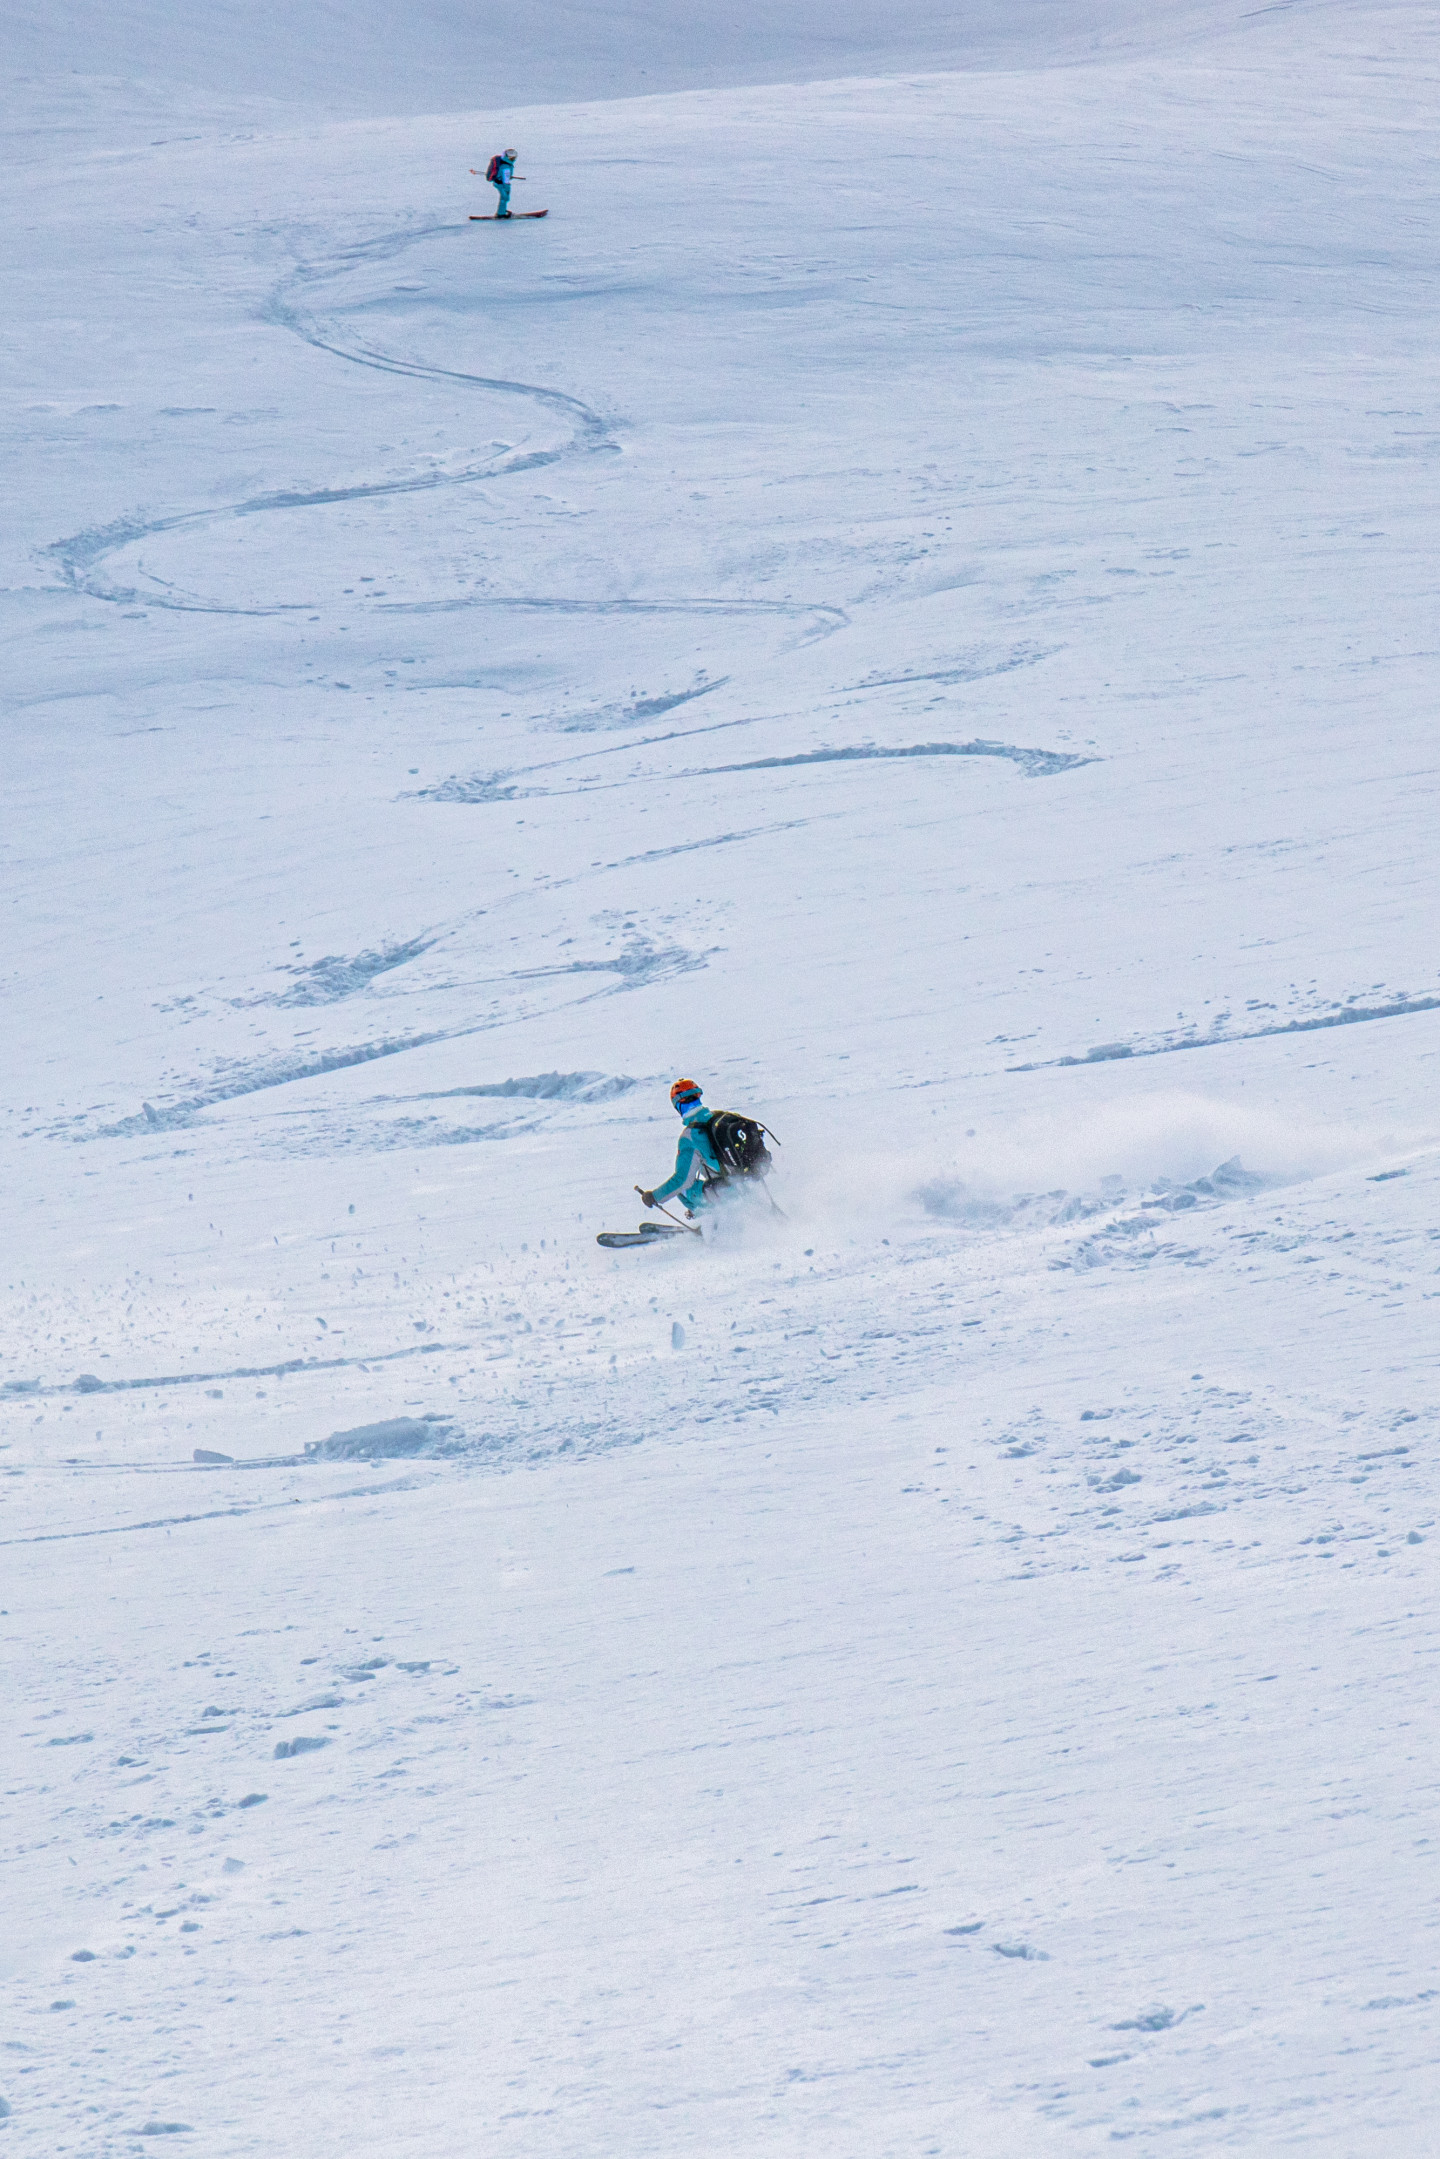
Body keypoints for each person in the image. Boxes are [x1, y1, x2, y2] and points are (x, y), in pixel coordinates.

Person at [641, 1079, 723, 1217]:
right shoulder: (719, 1118)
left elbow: (682, 1180)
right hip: (750, 1182)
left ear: (678, 1106)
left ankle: (707, 1220)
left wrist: (654, 1197)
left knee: (682, 1189)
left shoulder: (690, 1136)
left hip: (726, 1191)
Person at [489, 148, 517, 218]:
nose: (512, 159)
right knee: (504, 198)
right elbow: (506, 181)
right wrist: (507, 188)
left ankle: (502, 211)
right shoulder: (506, 167)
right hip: (501, 184)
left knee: (504, 198)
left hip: (498, 182)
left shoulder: (503, 163)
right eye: (511, 158)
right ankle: (501, 214)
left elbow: (504, 175)